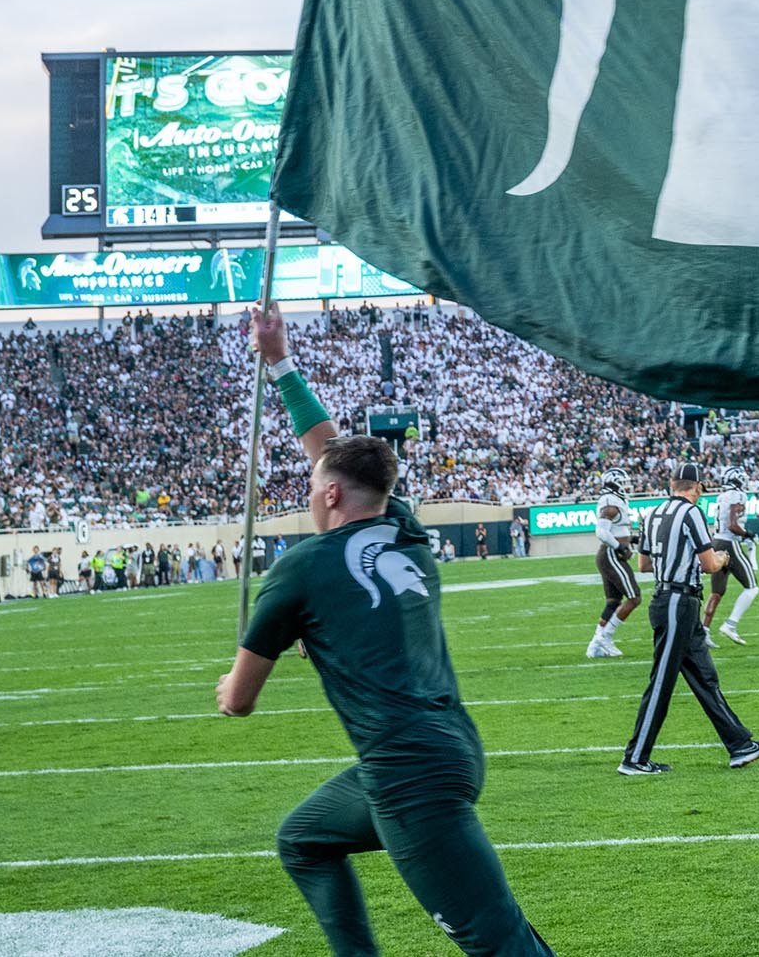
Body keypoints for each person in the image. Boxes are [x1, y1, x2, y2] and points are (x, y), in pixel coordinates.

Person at [216, 304, 559, 956]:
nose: (311, 488)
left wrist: (227, 684)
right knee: (305, 840)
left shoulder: (299, 570)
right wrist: (279, 361)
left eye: (314, 484)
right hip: (444, 748)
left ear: (331, 496)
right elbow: (333, 453)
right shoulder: (404, 529)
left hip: (410, 775)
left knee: (499, 942)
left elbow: (239, 701)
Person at [616, 461, 759, 777]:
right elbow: (709, 565)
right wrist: (722, 557)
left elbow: (644, 565)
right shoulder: (691, 513)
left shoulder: (652, 513)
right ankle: (634, 758)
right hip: (677, 601)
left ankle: (740, 745)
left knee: (705, 677)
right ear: (697, 487)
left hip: (673, 601)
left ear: (671, 484)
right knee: (662, 682)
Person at [584, 471, 641, 660]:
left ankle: (595, 644)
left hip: (610, 554)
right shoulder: (610, 503)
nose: (627, 486)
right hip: (611, 555)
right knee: (634, 597)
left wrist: (632, 540)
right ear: (614, 483)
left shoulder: (616, 502)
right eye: (623, 482)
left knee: (613, 602)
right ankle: (605, 637)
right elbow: (601, 532)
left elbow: (617, 531)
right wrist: (620, 547)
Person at [702, 467, 759, 645]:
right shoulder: (737, 495)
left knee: (717, 592)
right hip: (729, 543)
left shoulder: (722, 496)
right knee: (752, 587)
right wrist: (748, 534)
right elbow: (733, 525)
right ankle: (731, 625)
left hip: (716, 543)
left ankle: (704, 631)